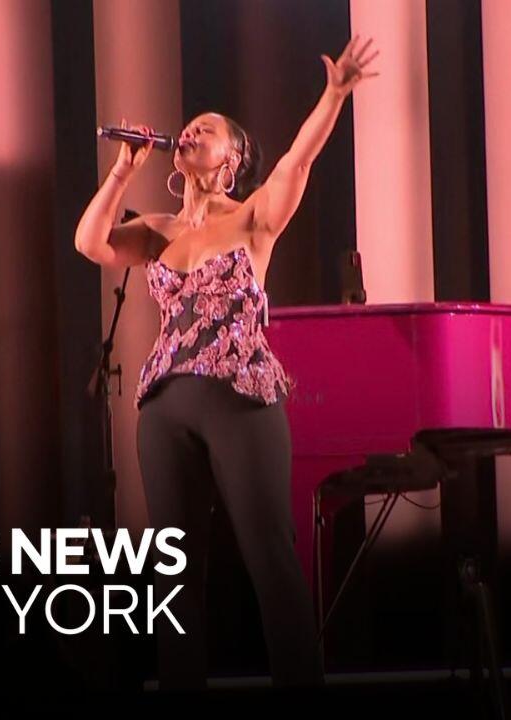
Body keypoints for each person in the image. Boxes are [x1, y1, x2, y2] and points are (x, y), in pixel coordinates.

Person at [74, 35, 380, 690]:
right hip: (164, 407)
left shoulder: (252, 219)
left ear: (232, 158)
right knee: (174, 577)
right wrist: (122, 171)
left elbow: (298, 161)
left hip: (239, 396)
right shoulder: (157, 229)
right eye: (187, 127)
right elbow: (90, 242)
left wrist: (334, 95)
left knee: (270, 557)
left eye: (205, 129)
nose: (189, 132)